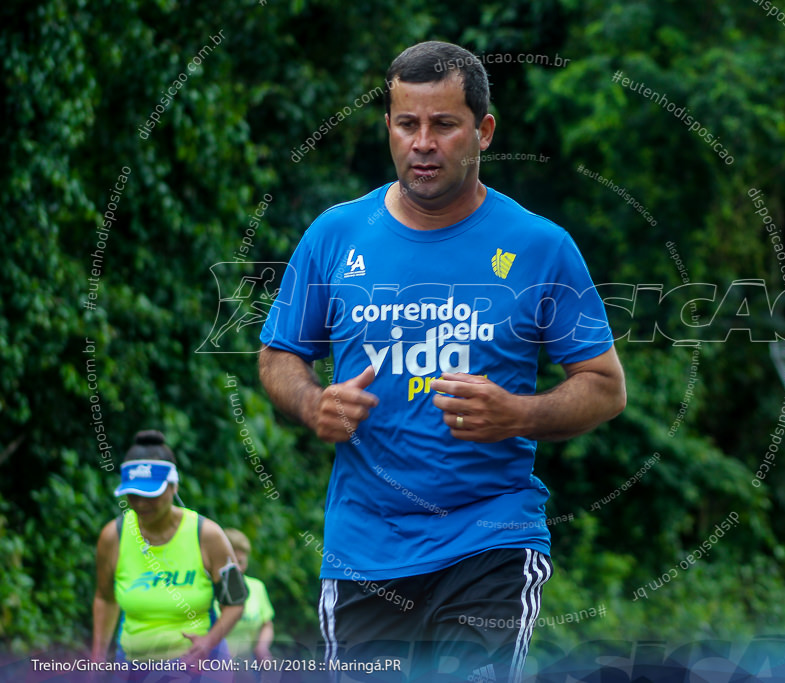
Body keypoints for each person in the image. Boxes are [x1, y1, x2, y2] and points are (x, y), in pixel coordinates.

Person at [258, 40, 626, 682]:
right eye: (408, 124)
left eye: (443, 125)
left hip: (491, 539)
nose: (423, 143)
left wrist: (518, 413)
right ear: (389, 128)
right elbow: (280, 354)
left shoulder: (540, 246)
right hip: (364, 550)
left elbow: (604, 386)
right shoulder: (335, 235)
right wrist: (312, 402)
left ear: (482, 131)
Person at [92, 430, 248, 680]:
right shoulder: (114, 536)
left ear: (174, 485)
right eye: (133, 493)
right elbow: (105, 598)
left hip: (199, 664)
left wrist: (208, 642)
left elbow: (235, 601)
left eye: (151, 493)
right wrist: (98, 659)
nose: (141, 503)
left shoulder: (206, 535)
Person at [221, 528, 275, 663]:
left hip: (248, 662)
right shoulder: (209, 589)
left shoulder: (257, 587)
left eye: (240, 562)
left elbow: (266, 625)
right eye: (232, 563)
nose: (237, 569)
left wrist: (262, 648)